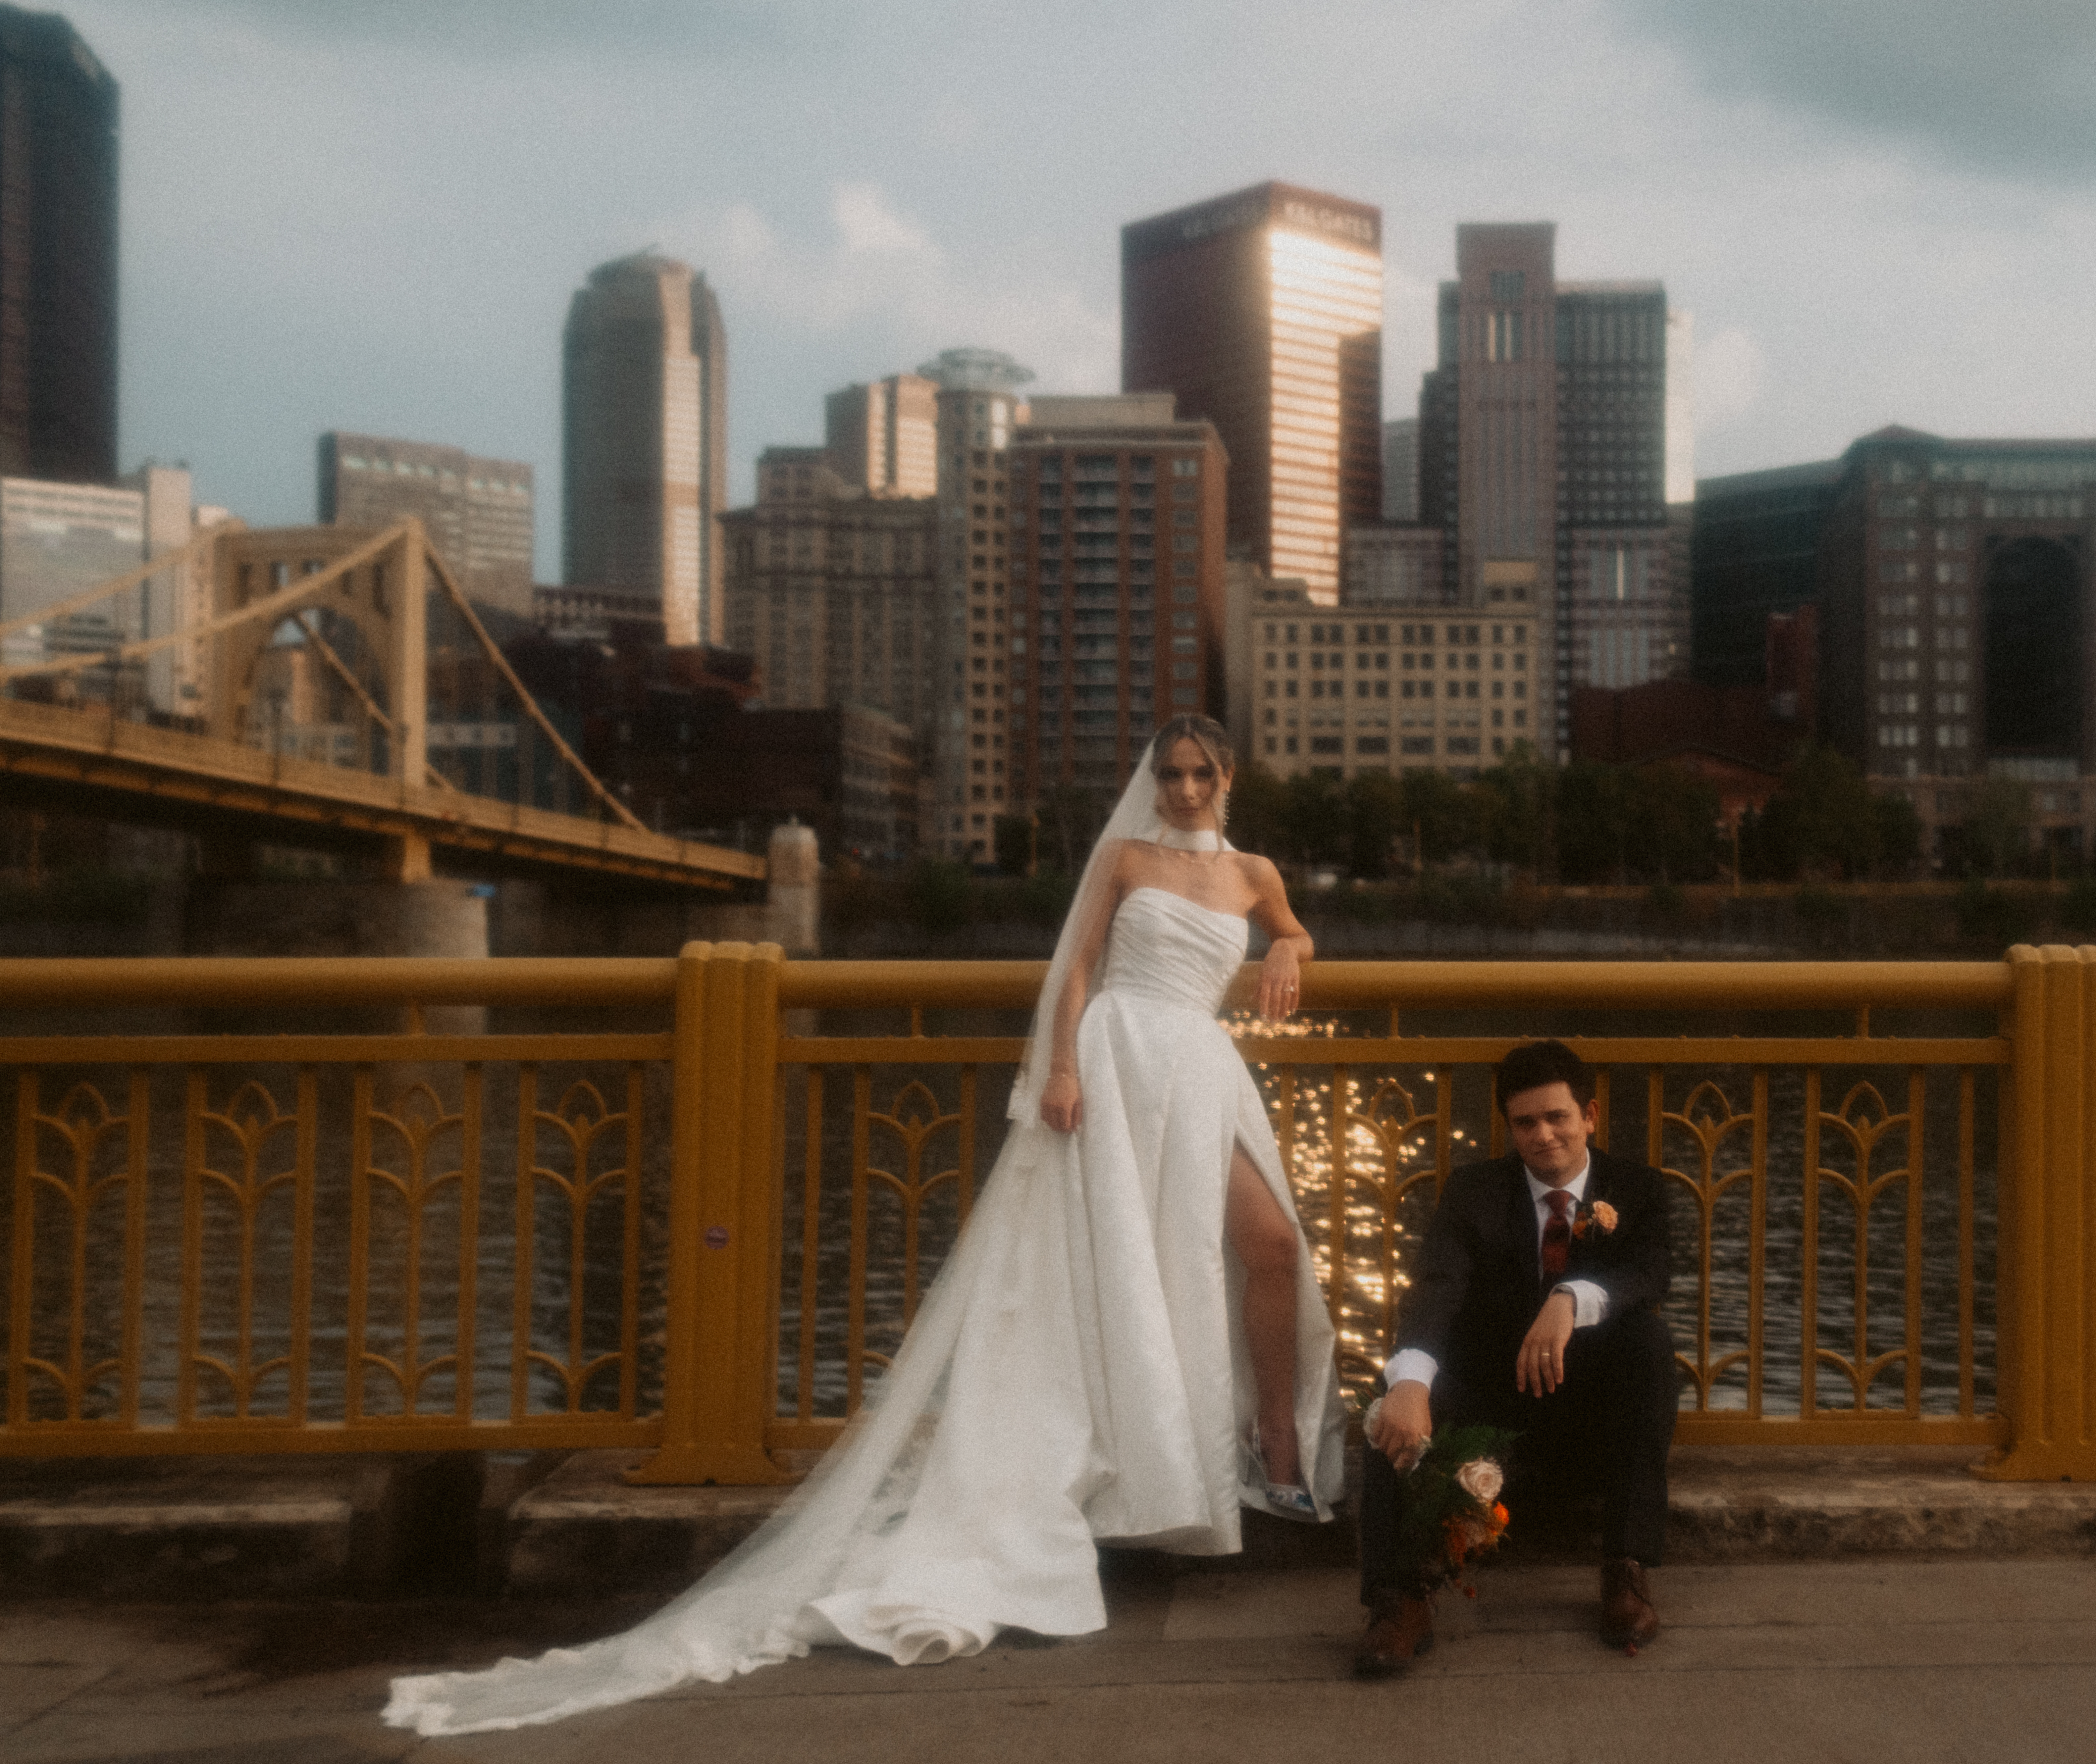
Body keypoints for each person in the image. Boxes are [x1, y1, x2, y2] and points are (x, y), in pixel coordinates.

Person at [386, 715, 1344, 1736]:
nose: (1186, 788)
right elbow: (1074, 969)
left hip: (1200, 1070)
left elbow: (1293, 927)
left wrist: (1292, 944)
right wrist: (1061, 1067)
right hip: (1118, 1061)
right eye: (1171, 774)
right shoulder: (1125, 855)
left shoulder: (1253, 874)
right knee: (1123, 1265)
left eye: (1202, 774)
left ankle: (1272, 1445)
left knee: (1267, 1246)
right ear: (1155, 781)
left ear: (1229, 778)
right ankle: (1190, 1464)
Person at [1352, 1039, 1676, 1677]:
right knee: (1393, 1398)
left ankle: (1626, 1568)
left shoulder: (1638, 1190)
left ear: (1590, 1114)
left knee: (1649, 1346)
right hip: (1492, 1402)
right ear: (1510, 1127)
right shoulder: (1474, 1192)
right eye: (1526, 1122)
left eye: (1558, 1117)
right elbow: (1438, 1288)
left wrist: (1569, 1298)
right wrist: (1412, 1383)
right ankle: (1400, 1599)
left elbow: (1649, 1276)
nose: (1544, 1136)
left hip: (1590, 1414)